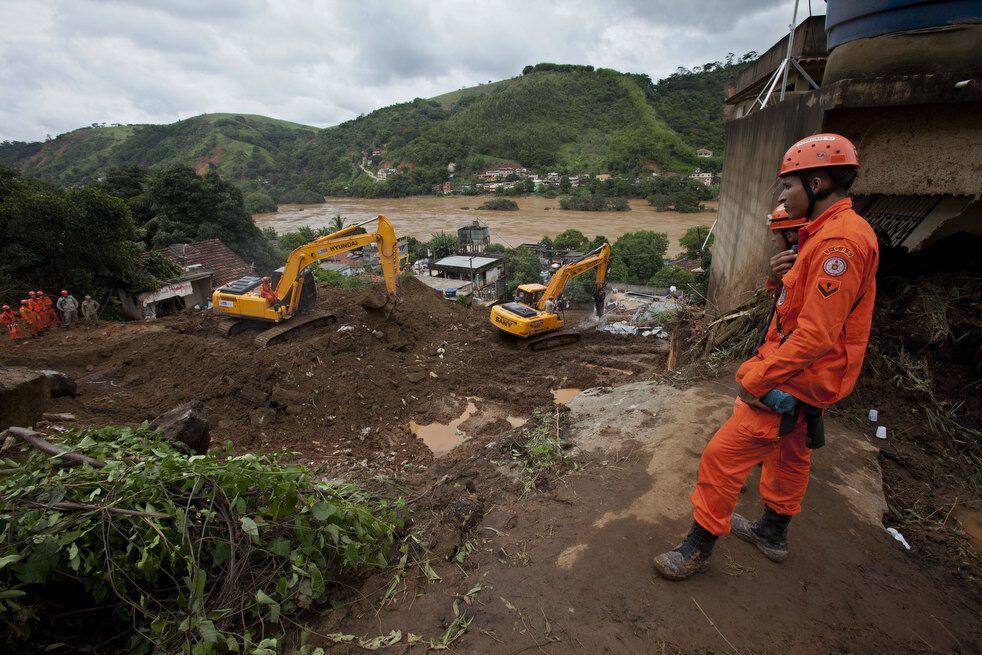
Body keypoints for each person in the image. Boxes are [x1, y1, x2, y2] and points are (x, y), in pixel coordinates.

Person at [652, 133, 879, 580]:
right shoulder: (827, 236)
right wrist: (780, 281)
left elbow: (814, 333)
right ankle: (773, 533)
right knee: (790, 454)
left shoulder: (839, 245)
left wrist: (757, 378)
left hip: (799, 375)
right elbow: (802, 308)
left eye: (788, 186)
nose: (781, 195)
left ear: (816, 184)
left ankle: (697, 548)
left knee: (722, 457)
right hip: (813, 377)